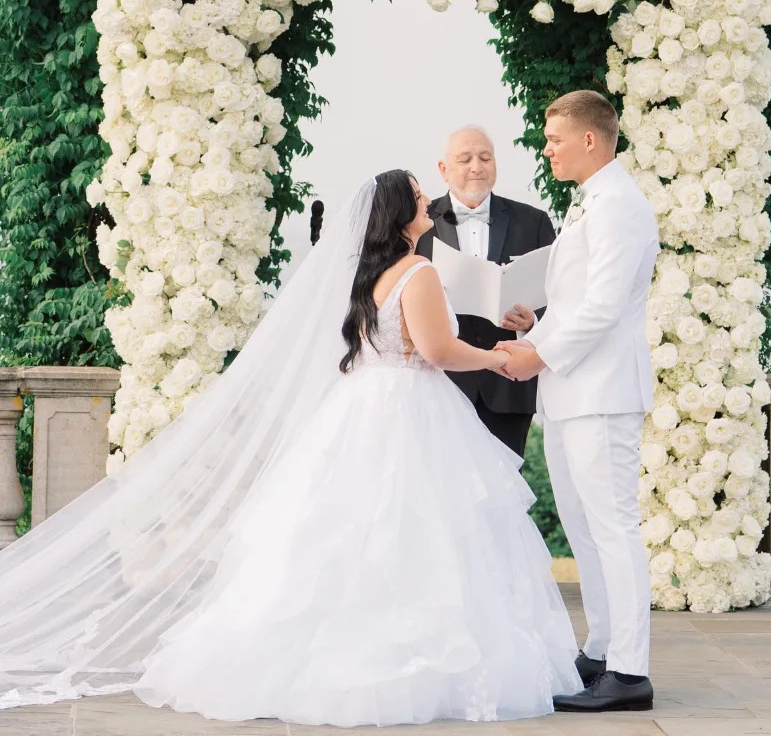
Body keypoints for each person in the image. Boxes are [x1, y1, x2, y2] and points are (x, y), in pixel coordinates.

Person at [0, 170, 580, 724]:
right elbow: (437, 350)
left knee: (353, 532)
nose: (429, 203)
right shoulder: (418, 271)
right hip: (411, 409)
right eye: (419, 197)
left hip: (362, 408)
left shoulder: (367, 275)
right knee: (418, 528)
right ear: (402, 216)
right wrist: (498, 359)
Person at [496, 91, 659, 713]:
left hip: (603, 392)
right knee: (585, 531)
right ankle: (602, 649)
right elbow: (573, 304)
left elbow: (605, 306)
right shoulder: (590, 203)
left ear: (590, 139)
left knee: (614, 528)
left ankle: (631, 672)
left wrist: (536, 354)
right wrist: (529, 329)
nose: (548, 148)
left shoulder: (619, 204)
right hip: (569, 390)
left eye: (555, 138)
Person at [416, 126, 556, 458]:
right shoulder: (418, 223)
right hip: (438, 385)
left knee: (506, 497)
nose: (477, 167)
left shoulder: (533, 221)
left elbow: (561, 298)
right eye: (464, 159)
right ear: (443, 169)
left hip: (509, 387)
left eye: (485, 157)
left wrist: (531, 322)